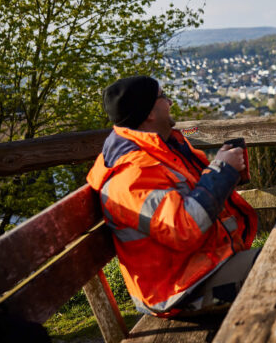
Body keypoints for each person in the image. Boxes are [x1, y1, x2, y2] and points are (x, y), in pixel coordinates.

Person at [86, 76, 258, 317]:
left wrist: (225, 170)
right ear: (149, 113)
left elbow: (194, 196)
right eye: (163, 96)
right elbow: (183, 227)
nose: (170, 101)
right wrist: (221, 171)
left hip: (202, 268)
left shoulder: (163, 149)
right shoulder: (131, 175)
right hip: (181, 290)